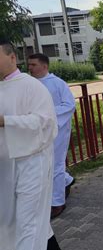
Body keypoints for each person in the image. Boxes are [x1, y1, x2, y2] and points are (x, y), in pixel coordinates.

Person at [0, 42, 62, 250]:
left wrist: (7, 121)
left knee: (28, 222)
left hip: (31, 162)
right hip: (5, 165)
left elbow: (45, 122)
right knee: (12, 217)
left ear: (12, 57)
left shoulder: (32, 87)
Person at [28, 53, 76, 219]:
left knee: (55, 164)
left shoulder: (57, 83)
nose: (30, 68)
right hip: (37, 131)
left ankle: (57, 203)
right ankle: (66, 180)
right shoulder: (29, 84)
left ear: (44, 66)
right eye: (29, 65)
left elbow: (69, 105)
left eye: (33, 65)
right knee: (44, 164)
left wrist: (47, 115)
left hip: (57, 131)